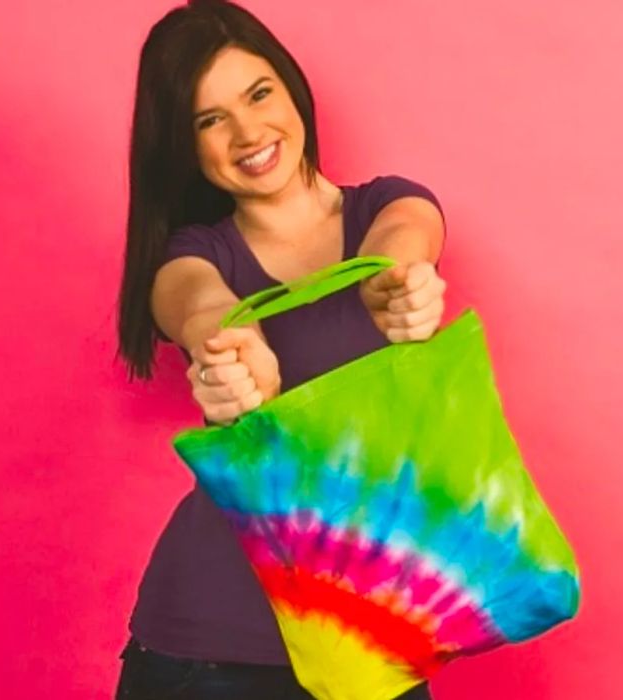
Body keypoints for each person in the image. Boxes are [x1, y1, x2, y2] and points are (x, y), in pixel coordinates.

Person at [115, 1, 447, 697]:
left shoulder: (387, 209)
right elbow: (194, 301)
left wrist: (395, 283)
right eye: (210, 120)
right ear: (185, 145)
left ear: (292, 87)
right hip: (207, 654)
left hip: (372, 639)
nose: (247, 132)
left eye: (258, 93)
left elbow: (403, 241)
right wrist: (226, 342)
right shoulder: (192, 255)